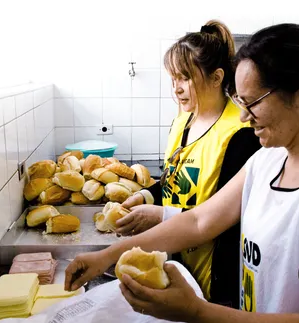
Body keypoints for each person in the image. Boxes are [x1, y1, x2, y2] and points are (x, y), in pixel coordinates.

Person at [65, 23, 299, 322]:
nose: (243, 117)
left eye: (252, 103)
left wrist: (197, 311)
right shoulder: (270, 160)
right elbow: (199, 222)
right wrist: (107, 256)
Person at [114, 19, 261, 308]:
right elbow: (174, 181)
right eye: (173, 79)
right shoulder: (184, 120)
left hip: (217, 283)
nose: (176, 89)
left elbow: (232, 220)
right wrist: (144, 195)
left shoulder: (240, 134)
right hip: (178, 263)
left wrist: (161, 216)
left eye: (184, 78)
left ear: (217, 77)